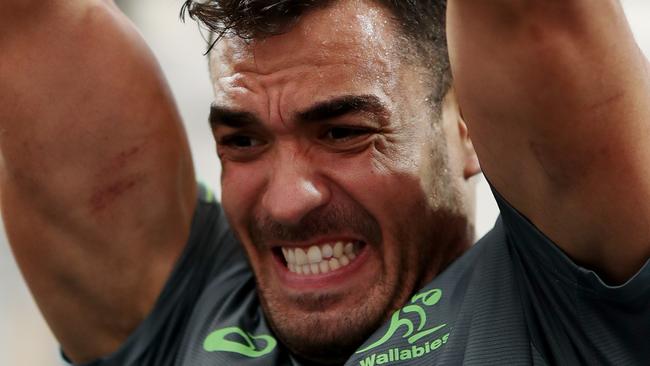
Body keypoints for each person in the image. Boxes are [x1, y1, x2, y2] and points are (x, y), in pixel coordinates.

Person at [0, 0, 480, 365]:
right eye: (244, 141)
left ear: (471, 129)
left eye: (342, 134)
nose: (287, 203)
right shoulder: (184, 305)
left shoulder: (543, 297)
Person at [345, 1, 650, 365]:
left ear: (464, 125)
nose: (288, 201)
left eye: (344, 133)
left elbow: (530, 16)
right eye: (254, 140)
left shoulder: (557, 305)